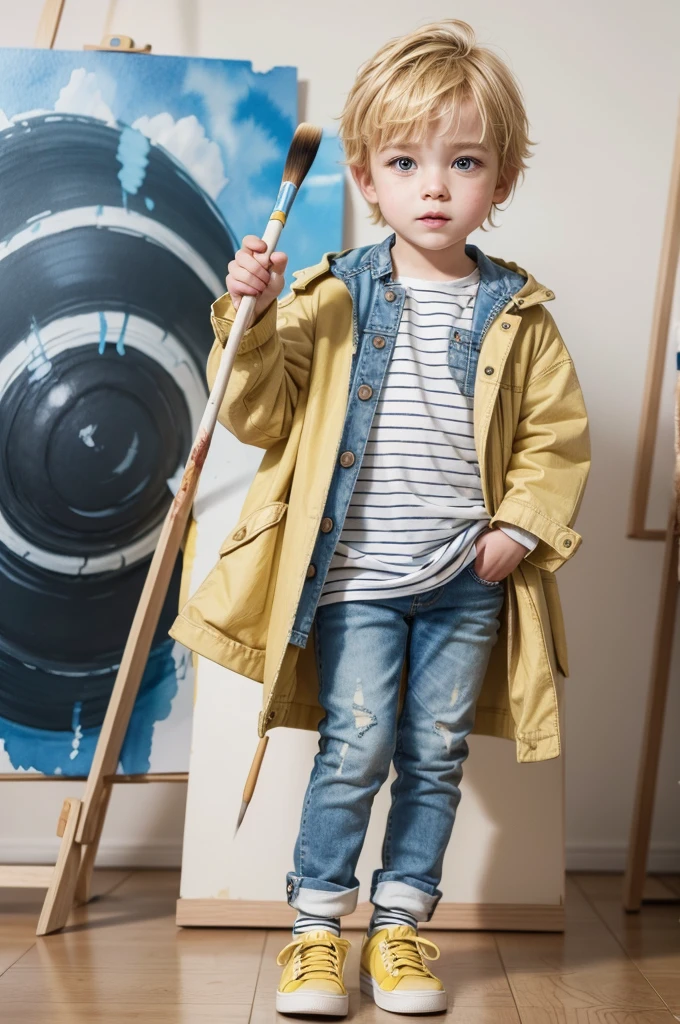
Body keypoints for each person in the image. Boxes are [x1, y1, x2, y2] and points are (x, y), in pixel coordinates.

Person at [170, 18, 591, 1017]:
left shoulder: (519, 315)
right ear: (365, 179)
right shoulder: (329, 298)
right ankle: (318, 930)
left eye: (463, 162)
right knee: (355, 744)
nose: (433, 186)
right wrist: (253, 317)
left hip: (462, 577)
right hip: (355, 575)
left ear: (502, 178)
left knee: (434, 751)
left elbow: (553, 438)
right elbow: (261, 411)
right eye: (405, 162)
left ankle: (400, 928)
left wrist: (518, 531)